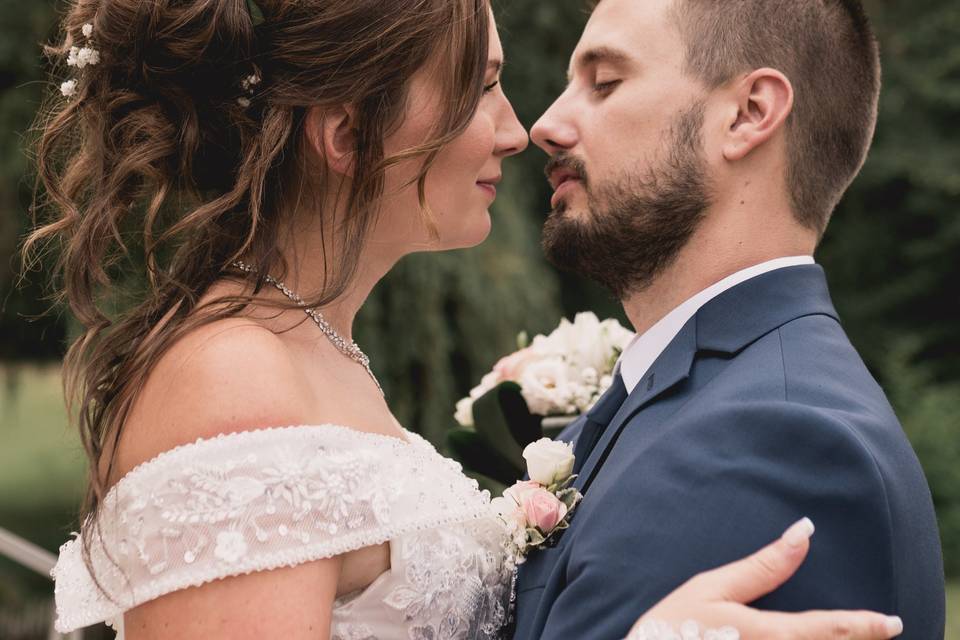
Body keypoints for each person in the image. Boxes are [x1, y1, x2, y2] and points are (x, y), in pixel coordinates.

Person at [24, 0, 904, 638]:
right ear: (347, 135)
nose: (523, 130)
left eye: (601, 83)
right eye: (483, 86)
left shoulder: (320, 353)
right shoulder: (234, 374)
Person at [512, 0, 946, 638]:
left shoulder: (777, 442)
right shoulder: (687, 402)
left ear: (748, 114)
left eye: (604, 83)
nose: (544, 125)